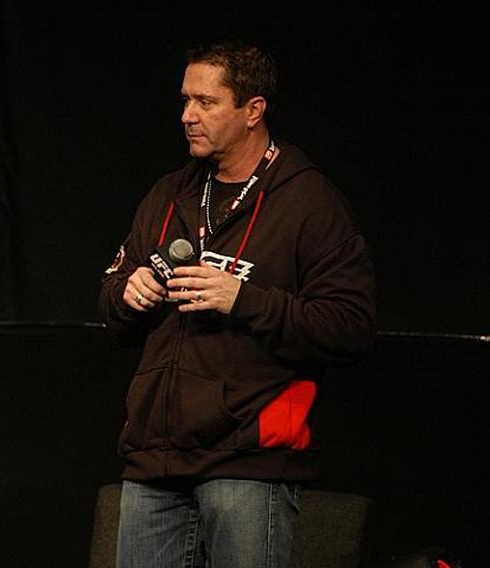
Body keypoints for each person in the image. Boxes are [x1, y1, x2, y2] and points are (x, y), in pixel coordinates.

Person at [99, 42, 376, 567]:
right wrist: (126, 292)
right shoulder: (168, 194)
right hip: (155, 458)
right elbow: (111, 303)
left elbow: (352, 326)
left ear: (253, 110)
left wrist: (244, 299)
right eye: (185, 101)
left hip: (250, 459)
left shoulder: (308, 202)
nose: (188, 116)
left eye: (206, 102)